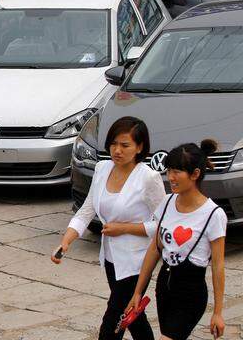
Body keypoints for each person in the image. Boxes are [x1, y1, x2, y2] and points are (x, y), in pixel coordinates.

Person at [51, 116, 166, 340]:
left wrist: (125, 228)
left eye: (125, 145)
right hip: (112, 259)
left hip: (137, 261)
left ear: (139, 147)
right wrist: (66, 241)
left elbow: (164, 225)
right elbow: (87, 210)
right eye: (114, 144)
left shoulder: (148, 178)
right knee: (132, 315)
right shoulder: (103, 168)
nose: (117, 150)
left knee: (112, 319)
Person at [126, 140, 227, 339]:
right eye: (169, 170)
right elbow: (155, 249)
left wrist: (217, 312)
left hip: (191, 292)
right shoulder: (166, 202)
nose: (170, 177)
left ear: (195, 174)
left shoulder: (214, 214)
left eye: (176, 172)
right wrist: (137, 292)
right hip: (164, 288)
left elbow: (218, 265)